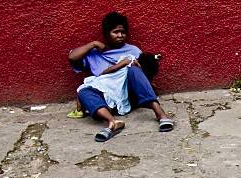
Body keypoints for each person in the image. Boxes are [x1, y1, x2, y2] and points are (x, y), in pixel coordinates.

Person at [68, 12, 173, 142]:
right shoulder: (94, 54)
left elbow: (140, 76)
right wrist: (93, 44)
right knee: (84, 91)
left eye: (123, 32)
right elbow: (72, 57)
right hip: (107, 99)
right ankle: (112, 122)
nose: (120, 35)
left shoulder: (133, 50)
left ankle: (160, 114)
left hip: (129, 96)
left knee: (132, 69)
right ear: (107, 34)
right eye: (115, 32)